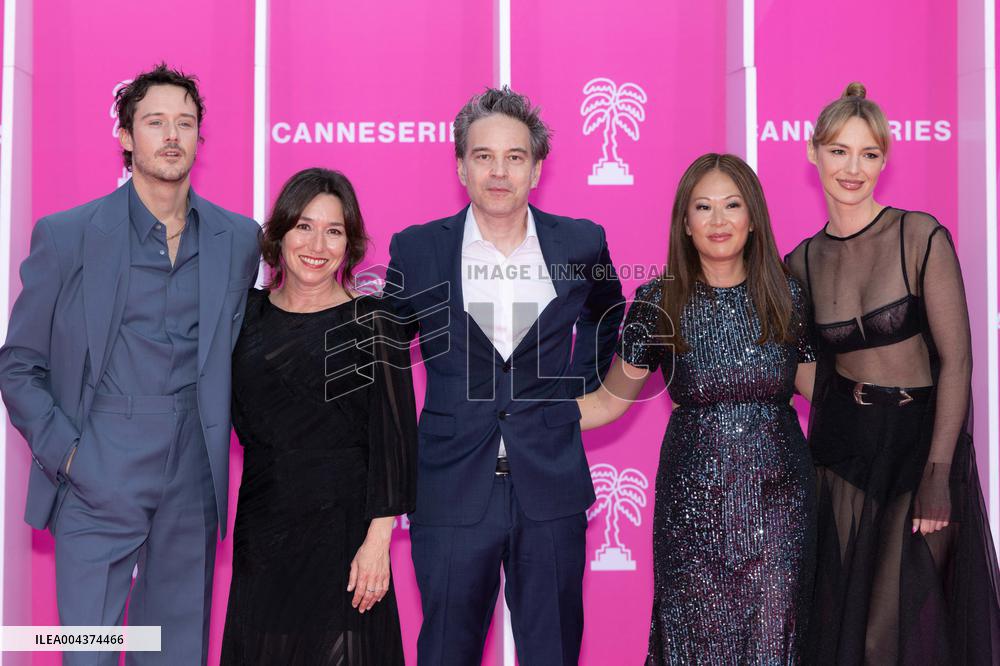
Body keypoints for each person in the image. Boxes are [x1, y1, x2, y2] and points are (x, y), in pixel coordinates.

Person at [0, 64, 260, 664]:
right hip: (97, 469)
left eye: (185, 123)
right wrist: (69, 454)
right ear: (125, 135)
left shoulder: (237, 238)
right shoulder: (67, 235)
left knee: (174, 654)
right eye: (155, 122)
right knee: (86, 653)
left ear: (199, 136)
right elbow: (18, 365)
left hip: (192, 475)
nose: (172, 135)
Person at [385, 86, 624, 665]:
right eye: (483, 156)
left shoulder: (579, 241)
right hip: (449, 489)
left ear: (537, 167)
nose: (499, 171)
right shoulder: (417, 250)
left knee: (554, 651)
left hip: (549, 486)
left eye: (515, 157)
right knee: (446, 651)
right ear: (461, 166)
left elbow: (607, 314)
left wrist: (574, 392)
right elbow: (385, 363)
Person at [785, 82, 1000, 665]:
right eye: (839, 151)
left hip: (919, 447)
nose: (853, 169)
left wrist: (938, 472)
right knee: (843, 633)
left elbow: (958, 360)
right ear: (813, 153)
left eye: (869, 154)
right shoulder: (800, 261)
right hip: (844, 454)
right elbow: (806, 368)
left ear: (884, 158)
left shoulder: (919, 235)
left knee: (893, 631)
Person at [577, 153, 817, 664]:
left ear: (753, 218)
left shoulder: (790, 298)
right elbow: (606, 402)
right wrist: (521, 413)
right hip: (691, 514)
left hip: (780, 510)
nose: (719, 220)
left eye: (732, 206)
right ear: (685, 224)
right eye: (703, 207)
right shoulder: (657, 302)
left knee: (775, 645)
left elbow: (827, 396)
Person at [220, 168, 417, 665]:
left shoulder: (375, 322)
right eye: (304, 226)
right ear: (280, 233)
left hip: (347, 538)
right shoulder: (242, 316)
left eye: (334, 231)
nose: (317, 244)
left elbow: (396, 445)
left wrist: (378, 545)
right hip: (264, 531)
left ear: (349, 244)